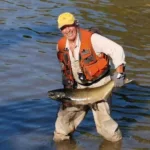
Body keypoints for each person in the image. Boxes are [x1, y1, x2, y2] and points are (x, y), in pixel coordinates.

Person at [53, 12, 126, 142]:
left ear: (76, 24)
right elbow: (65, 70)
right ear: (60, 30)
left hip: (100, 84)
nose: (68, 30)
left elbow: (117, 50)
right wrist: (66, 91)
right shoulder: (60, 46)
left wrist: (119, 73)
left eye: (70, 25)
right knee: (62, 126)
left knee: (106, 129)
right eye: (64, 27)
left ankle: (118, 144)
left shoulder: (93, 38)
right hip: (77, 87)